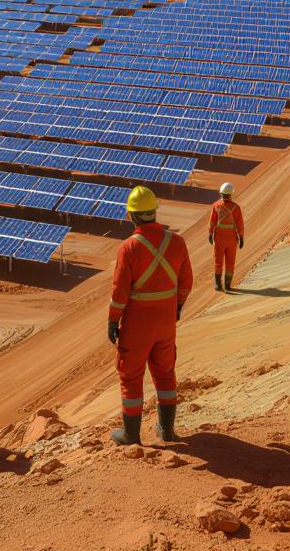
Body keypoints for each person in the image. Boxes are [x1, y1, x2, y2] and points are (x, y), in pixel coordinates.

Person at [108, 186, 193, 446]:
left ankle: (131, 435)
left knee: (131, 376)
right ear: (154, 212)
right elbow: (186, 283)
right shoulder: (177, 242)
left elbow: (120, 291)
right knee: (165, 372)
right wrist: (177, 306)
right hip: (166, 321)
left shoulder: (128, 247)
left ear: (131, 216)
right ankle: (167, 430)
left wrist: (113, 319)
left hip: (137, 323)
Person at [208, 182, 245, 293]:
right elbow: (240, 224)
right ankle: (228, 285)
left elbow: (212, 222)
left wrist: (210, 234)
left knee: (218, 261)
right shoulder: (236, 208)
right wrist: (241, 238)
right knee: (230, 262)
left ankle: (218, 285)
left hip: (219, 239)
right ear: (231, 194)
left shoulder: (216, 206)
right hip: (231, 240)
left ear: (221, 193)